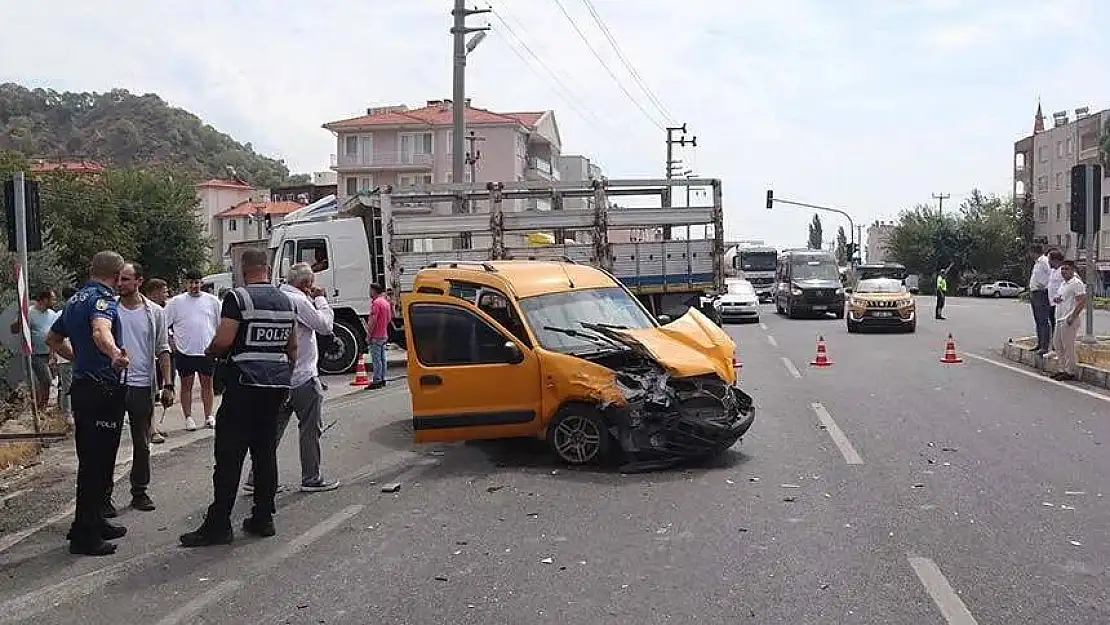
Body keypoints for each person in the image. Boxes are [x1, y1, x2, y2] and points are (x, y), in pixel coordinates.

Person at [180, 248, 297, 547]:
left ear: (244, 270)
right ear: (267, 269)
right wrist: (284, 379)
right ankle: (263, 518)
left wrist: (210, 354)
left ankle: (219, 525)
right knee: (265, 453)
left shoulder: (238, 298)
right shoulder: (286, 300)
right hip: (275, 388)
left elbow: (223, 341)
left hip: (244, 387)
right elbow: (292, 348)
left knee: (229, 457)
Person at [46, 251, 130, 557]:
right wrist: (114, 355)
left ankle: (94, 520)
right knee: (96, 463)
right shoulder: (102, 301)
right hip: (101, 389)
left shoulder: (75, 300)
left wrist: (77, 358)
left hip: (85, 388)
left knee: (98, 460)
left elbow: (52, 339)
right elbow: (100, 331)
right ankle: (84, 535)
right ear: (119, 275)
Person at [244, 262, 339, 495]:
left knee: (272, 430)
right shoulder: (300, 301)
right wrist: (321, 300)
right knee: (309, 429)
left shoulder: (279, 297)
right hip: (303, 376)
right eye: (312, 283)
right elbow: (325, 326)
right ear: (305, 284)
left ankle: (257, 477)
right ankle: (311, 477)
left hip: (278, 377)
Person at [104, 263, 174, 515]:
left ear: (139, 281)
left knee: (142, 443)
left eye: (125, 279)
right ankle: (104, 496)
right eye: (117, 279)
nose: (119, 283)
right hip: (114, 383)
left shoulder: (154, 312)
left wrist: (168, 384)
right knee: (108, 442)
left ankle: (140, 491)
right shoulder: (110, 309)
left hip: (143, 385)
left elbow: (163, 348)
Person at [165, 269, 221, 431]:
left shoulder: (213, 301)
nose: (194, 286)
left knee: (207, 385)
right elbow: (164, 324)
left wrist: (217, 346)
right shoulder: (176, 302)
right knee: (186, 385)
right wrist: (171, 342)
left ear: (201, 283)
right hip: (185, 351)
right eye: (190, 282)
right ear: (185, 284)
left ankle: (209, 416)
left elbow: (220, 324)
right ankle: (188, 417)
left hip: (206, 350)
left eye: (197, 282)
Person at [12, 286, 60, 409]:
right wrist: (19, 320)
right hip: (35, 354)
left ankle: (41, 408)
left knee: (45, 383)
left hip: (49, 353)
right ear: (44, 299)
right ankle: (39, 407)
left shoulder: (52, 314)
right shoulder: (29, 312)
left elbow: (54, 334)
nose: (55, 302)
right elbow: (14, 330)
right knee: (46, 380)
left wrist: (54, 354)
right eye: (52, 299)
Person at [143, 278, 172, 443]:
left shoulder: (160, 310)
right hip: (143, 361)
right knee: (149, 396)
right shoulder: (147, 310)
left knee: (153, 394)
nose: (166, 294)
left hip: (157, 358)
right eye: (164, 291)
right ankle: (151, 428)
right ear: (154, 292)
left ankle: (151, 427)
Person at [1050, 260, 1087, 381]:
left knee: (1068, 346)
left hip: (1069, 319)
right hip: (1059, 318)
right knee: (1058, 344)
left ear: (1072, 270)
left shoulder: (1076, 283)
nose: (1064, 271)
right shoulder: (1063, 284)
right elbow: (1062, 298)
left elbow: (1081, 301)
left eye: (1066, 269)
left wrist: (1073, 316)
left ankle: (1070, 371)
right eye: (1062, 269)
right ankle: (1062, 369)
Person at [56, 286, 78, 427]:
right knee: (67, 387)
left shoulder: (78, 312)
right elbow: (53, 337)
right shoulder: (60, 314)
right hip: (65, 357)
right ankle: (67, 414)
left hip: (77, 356)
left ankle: (75, 412)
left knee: (77, 386)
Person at [1028, 244, 1053, 355]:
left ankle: (1045, 345)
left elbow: (1050, 275)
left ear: (1034, 252)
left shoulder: (1044, 261)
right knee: (1038, 320)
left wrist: (1045, 286)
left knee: (1043, 320)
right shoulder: (1037, 263)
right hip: (1035, 293)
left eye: (1031, 253)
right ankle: (1040, 343)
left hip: (1042, 292)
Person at [366, 283, 391, 390]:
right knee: (382, 358)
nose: (369, 292)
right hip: (383, 334)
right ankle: (383, 378)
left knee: (376, 359)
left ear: (374, 291)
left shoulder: (376, 303)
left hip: (376, 335)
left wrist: (369, 334)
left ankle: (377, 380)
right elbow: (389, 318)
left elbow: (373, 320)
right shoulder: (385, 302)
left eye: (370, 290)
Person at [1045, 249, 1065, 340]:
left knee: (1059, 325)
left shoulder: (1063, 270)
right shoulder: (1053, 271)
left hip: (1060, 304)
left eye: (1049, 259)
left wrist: (1062, 297)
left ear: (1055, 260)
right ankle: (1055, 344)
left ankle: (1059, 344)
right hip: (1052, 303)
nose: (1048, 262)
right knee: (1053, 323)